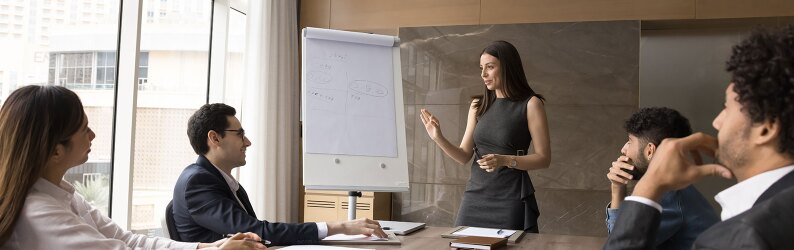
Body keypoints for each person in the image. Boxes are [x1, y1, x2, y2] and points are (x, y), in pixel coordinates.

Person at [0, 85, 264, 250]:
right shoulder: (39, 214)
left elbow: (129, 240)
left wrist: (206, 248)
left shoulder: (66, 197)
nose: (92, 135)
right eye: (84, 129)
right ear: (56, 150)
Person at [604, 26, 794, 249]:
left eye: (727, 108)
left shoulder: (747, 235)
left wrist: (648, 188)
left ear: (765, 129)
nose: (717, 121)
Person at [172, 103, 388, 246]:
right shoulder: (197, 183)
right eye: (240, 134)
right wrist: (338, 226)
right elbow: (258, 230)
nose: (247, 142)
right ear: (215, 138)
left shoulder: (217, 179)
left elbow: (257, 235)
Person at [419, 40, 551, 232]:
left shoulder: (531, 104)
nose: (483, 74)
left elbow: (544, 158)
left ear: (507, 67)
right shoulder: (477, 105)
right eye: (481, 68)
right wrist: (437, 137)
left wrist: (504, 160)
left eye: (490, 67)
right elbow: (464, 155)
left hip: (510, 197)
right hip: (475, 195)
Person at [605, 107, 718, 249]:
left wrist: (617, 189)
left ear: (650, 151)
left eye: (630, 141)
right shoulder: (675, 189)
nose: (623, 149)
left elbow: (619, 243)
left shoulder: (669, 195)